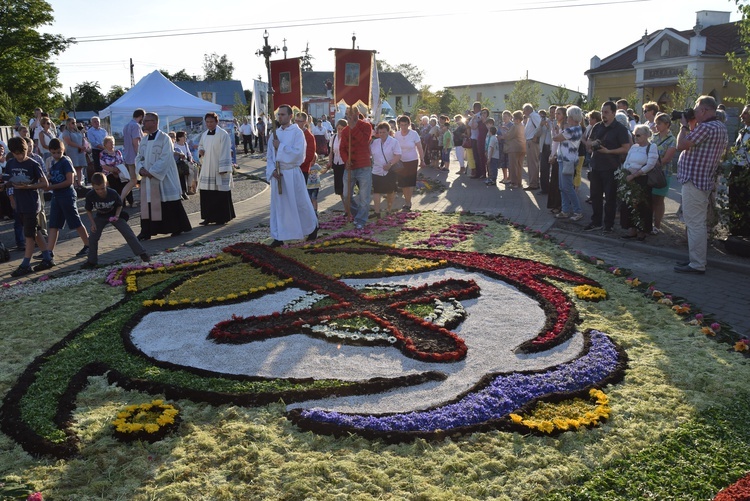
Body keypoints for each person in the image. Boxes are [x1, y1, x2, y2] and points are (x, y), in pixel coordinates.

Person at [674, 95, 728, 274]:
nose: (694, 112)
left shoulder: (705, 127)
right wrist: (691, 124)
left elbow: (682, 145)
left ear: (704, 110)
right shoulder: (719, 126)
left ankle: (697, 264)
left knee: (695, 223)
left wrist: (683, 126)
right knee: (697, 222)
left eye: (696, 109)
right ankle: (695, 259)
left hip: (694, 181)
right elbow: (694, 143)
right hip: (703, 180)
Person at [266, 104, 319, 246]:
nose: (280, 117)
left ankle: (312, 228)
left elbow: (298, 154)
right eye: (279, 115)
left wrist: (281, 147)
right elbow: (270, 156)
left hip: (292, 173)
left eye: (283, 114)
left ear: (290, 116)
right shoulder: (274, 134)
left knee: (300, 203)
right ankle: (279, 236)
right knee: (279, 207)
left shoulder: (297, 133)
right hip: (279, 176)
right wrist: (272, 170)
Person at [135, 112, 192, 240]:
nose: (144, 123)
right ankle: (147, 230)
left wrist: (152, 172)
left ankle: (175, 227)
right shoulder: (144, 139)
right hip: (147, 178)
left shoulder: (164, 138)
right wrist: (141, 169)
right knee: (148, 203)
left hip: (163, 178)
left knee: (167, 203)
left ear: (155, 122)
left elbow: (165, 158)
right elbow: (138, 157)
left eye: (146, 121)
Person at [3, 137, 53, 276]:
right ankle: (47, 258)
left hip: (31, 203)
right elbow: (7, 181)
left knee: (29, 235)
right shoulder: (11, 163)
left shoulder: (33, 164)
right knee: (35, 231)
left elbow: (45, 184)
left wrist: (29, 186)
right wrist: (4, 186)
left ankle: (26, 263)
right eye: (17, 153)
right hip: (20, 204)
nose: (20, 156)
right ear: (12, 152)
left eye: (22, 153)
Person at [81, 172, 149, 269]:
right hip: (101, 216)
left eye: (102, 188)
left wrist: (117, 215)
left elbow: (119, 205)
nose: (100, 191)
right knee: (93, 237)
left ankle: (142, 254)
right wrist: (92, 224)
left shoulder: (112, 193)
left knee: (127, 232)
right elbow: (88, 210)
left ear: (106, 184)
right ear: (92, 187)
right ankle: (91, 261)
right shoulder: (90, 195)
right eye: (97, 189)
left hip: (114, 214)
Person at [584, 101, 632, 233]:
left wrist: (609, 151)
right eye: (601, 112)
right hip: (596, 165)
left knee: (610, 198)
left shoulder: (620, 129)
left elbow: (626, 148)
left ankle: (608, 225)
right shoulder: (597, 126)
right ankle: (596, 222)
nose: (603, 115)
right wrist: (593, 143)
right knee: (595, 196)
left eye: (606, 112)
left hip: (611, 168)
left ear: (613, 113)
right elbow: (588, 142)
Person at [43, 138, 90, 258]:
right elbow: (51, 177)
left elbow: (69, 181)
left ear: (63, 150)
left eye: (59, 152)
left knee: (75, 221)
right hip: (57, 195)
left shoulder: (65, 162)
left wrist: (52, 186)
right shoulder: (53, 163)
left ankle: (88, 244)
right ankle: (49, 251)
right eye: (54, 153)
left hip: (67, 195)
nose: (56, 155)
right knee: (53, 223)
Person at [619, 124, 659, 240]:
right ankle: (631, 229)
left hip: (642, 179)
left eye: (638, 135)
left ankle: (642, 230)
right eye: (634, 135)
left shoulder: (652, 147)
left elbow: (650, 164)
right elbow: (626, 161)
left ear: (646, 135)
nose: (635, 137)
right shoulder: (634, 147)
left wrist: (635, 174)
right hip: (629, 178)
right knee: (628, 204)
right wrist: (626, 172)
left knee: (642, 205)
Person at [197, 112, 236, 226]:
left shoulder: (223, 134)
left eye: (211, 122)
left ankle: (221, 217)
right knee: (207, 193)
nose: (209, 124)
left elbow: (225, 151)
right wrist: (201, 151)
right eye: (207, 122)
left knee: (219, 193)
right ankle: (208, 217)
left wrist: (223, 168)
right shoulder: (204, 135)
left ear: (216, 122)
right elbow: (201, 146)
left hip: (218, 168)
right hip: (207, 167)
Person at [339, 106, 374, 228]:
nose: (348, 116)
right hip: (350, 167)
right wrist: (345, 159)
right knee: (345, 195)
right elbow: (342, 148)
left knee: (364, 196)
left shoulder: (366, 126)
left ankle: (361, 220)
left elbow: (364, 142)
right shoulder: (344, 131)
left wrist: (353, 127)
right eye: (347, 113)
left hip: (363, 166)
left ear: (357, 114)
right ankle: (357, 213)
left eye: (351, 113)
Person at [553, 106, 584, 221]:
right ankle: (565, 210)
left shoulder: (571, 130)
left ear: (572, 117)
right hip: (565, 160)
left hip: (567, 161)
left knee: (567, 187)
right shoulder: (576, 129)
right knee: (562, 187)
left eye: (568, 116)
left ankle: (577, 211)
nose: (567, 118)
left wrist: (555, 130)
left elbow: (555, 138)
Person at [650, 112, 677, 234]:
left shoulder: (672, 139)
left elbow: (667, 158)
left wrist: (653, 163)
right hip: (650, 172)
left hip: (663, 173)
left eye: (659, 123)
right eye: (656, 123)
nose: (656, 126)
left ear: (667, 124)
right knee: (650, 198)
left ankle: (657, 225)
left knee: (659, 199)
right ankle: (647, 223)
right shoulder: (654, 137)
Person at [394, 115, 425, 212]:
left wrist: (422, 160)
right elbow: (394, 148)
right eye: (401, 125)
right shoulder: (397, 134)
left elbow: (419, 147)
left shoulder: (414, 134)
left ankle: (408, 201)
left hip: (412, 160)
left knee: (410, 182)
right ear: (399, 125)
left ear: (409, 124)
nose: (403, 127)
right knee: (403, 182)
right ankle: (406, 201)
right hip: (400, 161)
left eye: (405, 125)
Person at [370, 122, 401, 216]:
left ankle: (388, 209)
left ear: (388, 131)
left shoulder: (394, 142)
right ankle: (377, 212)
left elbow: (398, 155)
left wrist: (390, 164)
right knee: (376, 191)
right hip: (376, 170)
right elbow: (370, 154)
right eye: (380, 132)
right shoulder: (375, 142)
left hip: (389, 170)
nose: (382, 134)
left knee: (390, 191)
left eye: (384, 132)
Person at [121, 108, 144, 207]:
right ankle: (144, 200)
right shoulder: (136, 126)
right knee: (141, 179)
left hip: (128, 156)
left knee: (133, 180)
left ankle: (120, 199)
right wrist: (140, 155)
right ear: (141, 116)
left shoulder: (126, 126)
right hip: (135, 157)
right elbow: (136, 143)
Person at [99, 135, 130, 204]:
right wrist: (113, 170)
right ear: (105, 144)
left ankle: (129, 201)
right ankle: (117, 201)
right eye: (110, 142)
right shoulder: (102, 154)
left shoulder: (118, 152)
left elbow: (122, 162)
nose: (112, 144)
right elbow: (103, 166)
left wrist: (118, 170)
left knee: (126, 182)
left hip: (119, 171)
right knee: (113, 181)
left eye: (113, 142)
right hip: (109, 173)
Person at [327, 119, 348, 207]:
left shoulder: (347, 138)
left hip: (345, 164)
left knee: (346, 187)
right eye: (338, 129)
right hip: (336, 163)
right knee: (339, 188)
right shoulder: (333, 137)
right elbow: (331, 152)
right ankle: (346, 208)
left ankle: (350, 208)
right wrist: (329, 162)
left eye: (342, 129)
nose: (340, 131)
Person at [60, 118, 87, 188]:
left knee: (79, 167)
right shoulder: (66, 132)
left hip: (80, 150)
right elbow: (68, 142)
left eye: (75, 122)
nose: (74, 124)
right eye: (73, 123)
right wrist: (79, 146)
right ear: (68, 124)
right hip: (72, 151)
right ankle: (74, 183)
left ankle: (79, 182)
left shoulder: (77, 131)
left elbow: (82, 139)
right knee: (73, 167)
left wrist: (83, 146)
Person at [504, 111, 526, 189]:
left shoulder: (514, 126)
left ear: (517, 119)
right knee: (520, 166)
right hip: (522, 148)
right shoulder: (522, 126)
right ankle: (519, 182)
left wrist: (502, 135)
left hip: (514, 148)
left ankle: (514, 183)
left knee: (513, 166)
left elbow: (509, 135)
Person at [523, 103, 542, 190]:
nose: (523, 112)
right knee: (531, 163)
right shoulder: (531, 117)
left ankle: (534, 183)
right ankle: (533, 182)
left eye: (524, 110)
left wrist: (535, 136)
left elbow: (540, 126)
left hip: (532, 142)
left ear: (528, 110)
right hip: (530, 141)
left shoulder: (534, 116)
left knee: (533, 163)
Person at [296, 112, 316, 183]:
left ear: (305, 122)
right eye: (296, 121)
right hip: (291, 168)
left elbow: (310, 155)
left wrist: (298, 164)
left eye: (299, 121)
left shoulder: (309, 136)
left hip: (302, 169)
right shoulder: (292, 133)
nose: (297, 123)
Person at [174, 131, 194, 199]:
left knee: (194, 169)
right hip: (176, 164)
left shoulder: (184, 145)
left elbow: (188, 154)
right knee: (184, 173)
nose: (185, 137)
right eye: (184, 136)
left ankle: (188, 189)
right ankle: (183, 191)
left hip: (182, 163)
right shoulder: (173, 145)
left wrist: (190, 160)